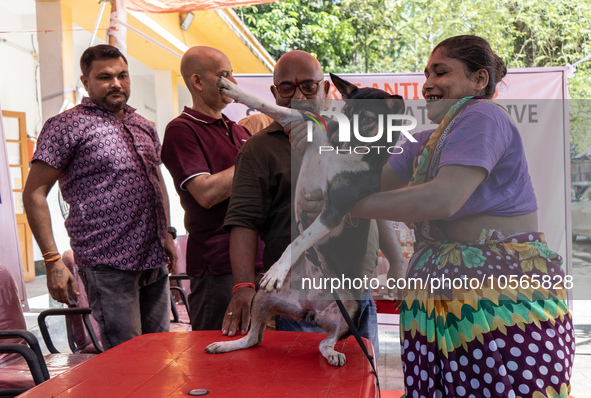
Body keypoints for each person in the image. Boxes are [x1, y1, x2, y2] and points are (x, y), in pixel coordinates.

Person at [347, 35, 574, 396]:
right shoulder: (425, 141)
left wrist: (348, 206)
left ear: (479, 80)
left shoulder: (482, 114)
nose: (428, 83)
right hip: (440, 299)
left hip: (497, 301)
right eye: (426, 74)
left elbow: (442, 199)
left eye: (441, 72)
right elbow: (367, 182)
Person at [222, 50, 388, 359]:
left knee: (363, 377)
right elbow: (243, 220)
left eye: (309, 86)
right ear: (274, 94)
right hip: (302, 294)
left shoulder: (354, 136)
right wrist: (244, 285)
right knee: (309, 384)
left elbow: (378, 208)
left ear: (326, 89)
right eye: (287, 88)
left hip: (357, 287)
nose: (299, 95)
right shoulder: (259, 149)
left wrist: (397, 263)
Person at [23, 44, 177, 350]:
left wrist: (169, 234)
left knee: (161, 354)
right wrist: (52, 259)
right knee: (126, 360)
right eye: (105, 77)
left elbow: (157, 182)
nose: (116, 83)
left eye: (122, 75)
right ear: (85, 81)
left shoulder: (143, 125)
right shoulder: (66, 126)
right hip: (108, 263)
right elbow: (34, 193)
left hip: (154, 259)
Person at [161, 46, 263, 331]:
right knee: (217, 356)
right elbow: (205, 193)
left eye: (233, 75)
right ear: (197, 81)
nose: (233, 84)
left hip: (259, 263)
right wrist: (256, 163)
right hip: (217, 265)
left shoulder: (240, 131)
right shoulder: (182, 129)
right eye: (224, 75)